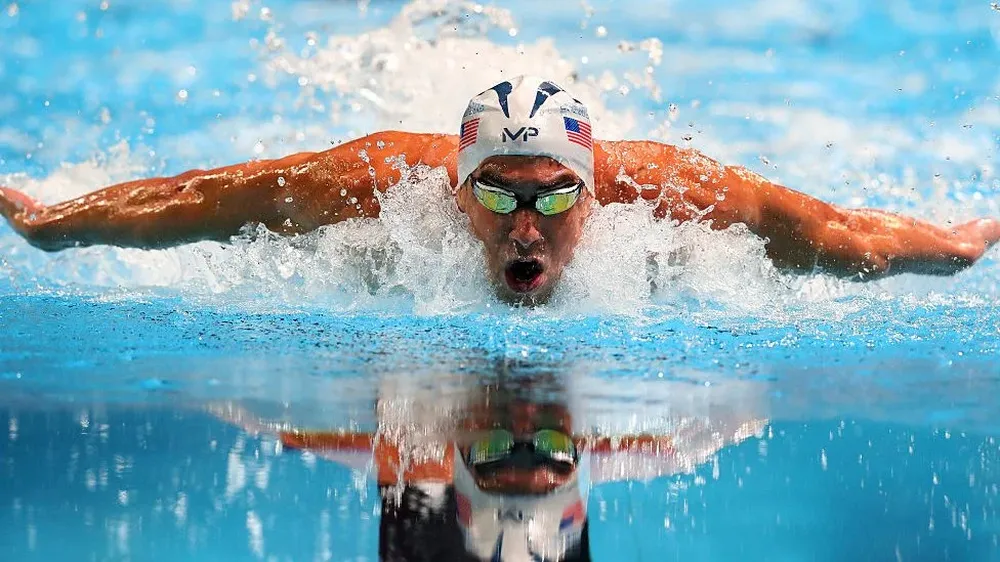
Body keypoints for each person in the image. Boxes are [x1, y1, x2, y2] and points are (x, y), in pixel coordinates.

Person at [1, 75, 996, 304]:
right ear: (457, 186)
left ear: (594, 195)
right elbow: (198, 199)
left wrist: (952, 249)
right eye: (499, 195)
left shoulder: (669, 192)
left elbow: (832, 231)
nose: (526, 224)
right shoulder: (378, 182)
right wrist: (55, 226)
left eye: (555, 196)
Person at [215, 367, 767, 561]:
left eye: (494, 447)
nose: (523, 420)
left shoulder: (414, 452)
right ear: (583, 452)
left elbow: (244, 409)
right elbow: (747, 418)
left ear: (457, 453)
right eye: (552, 444)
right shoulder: (644, 446)